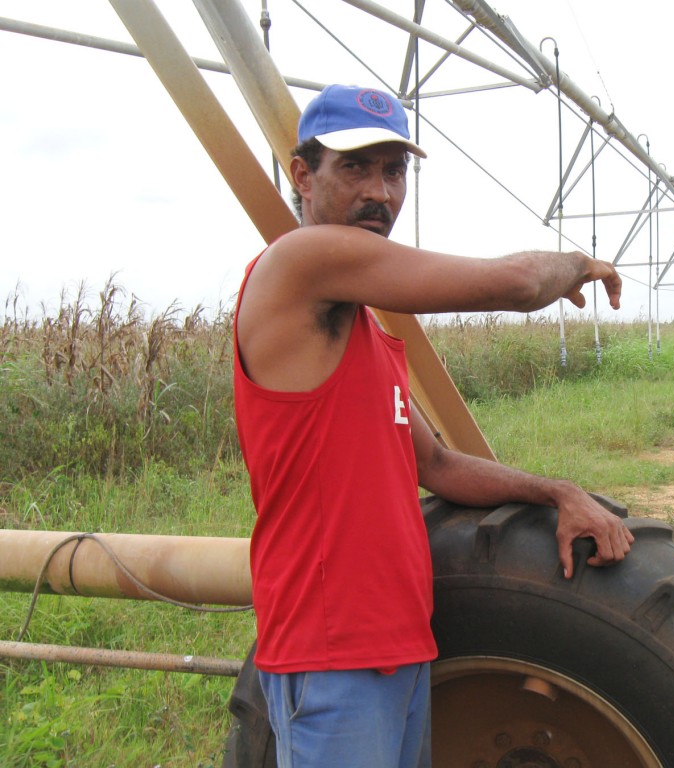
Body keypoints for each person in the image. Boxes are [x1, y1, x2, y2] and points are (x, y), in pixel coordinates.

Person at [232, 84, 634, 768]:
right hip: (330, 656)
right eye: (355, 168)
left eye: (395, 171)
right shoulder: (300, 266)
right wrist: (579, 264)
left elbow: (440, 468)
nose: (381, 194)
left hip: (400, 647)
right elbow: (509, 284)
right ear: (302, 174)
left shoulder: (364, 333)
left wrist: (556, 492)